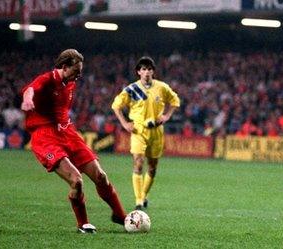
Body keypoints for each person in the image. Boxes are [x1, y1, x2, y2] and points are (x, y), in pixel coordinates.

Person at [20, 49, 126, 233]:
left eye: (80, 72)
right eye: (76, 71)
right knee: (76, 181)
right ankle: (83, 223)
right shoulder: (47, 79)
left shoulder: (70, 82)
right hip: (45, 137)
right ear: (64, 67)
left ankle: (120, 215)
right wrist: (28, 100)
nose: (78, 76)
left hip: (68, 133)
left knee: (100, 176)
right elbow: (30, 89)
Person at [112, 56, 180, 210]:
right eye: (143, 69)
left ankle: (143, 194)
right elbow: (116, 106)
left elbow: (175, 101)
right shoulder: (131, 89)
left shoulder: (162, 87)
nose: (147, 72)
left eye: (149, 69)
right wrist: (124, 124)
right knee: (138, 162)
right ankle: (138, 201)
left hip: (156, 132)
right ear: (138, 72)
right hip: (139, 131)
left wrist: (166, 116)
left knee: (152, 167)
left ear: (153, 71)